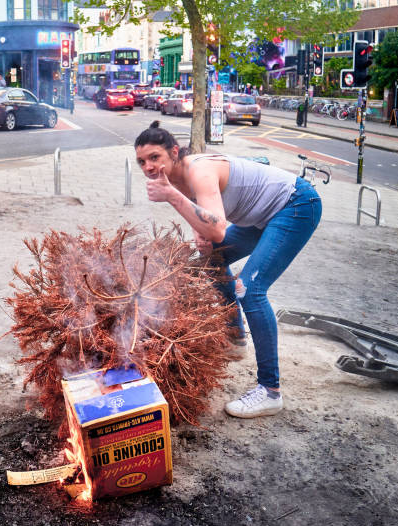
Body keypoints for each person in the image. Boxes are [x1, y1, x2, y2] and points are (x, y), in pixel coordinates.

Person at [134, 121, 322, 419]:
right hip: (260, 218)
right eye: (142, 161)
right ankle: (235, 340)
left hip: (296, 204)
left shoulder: (199, 171)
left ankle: (270, 392)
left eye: (155, 158)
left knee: (250, 288)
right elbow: (205, 222)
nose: (148, 167)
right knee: (211, 258)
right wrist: (200, 234)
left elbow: (219, 229)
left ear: (173, 152)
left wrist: (180, 205)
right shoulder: (173, 180)